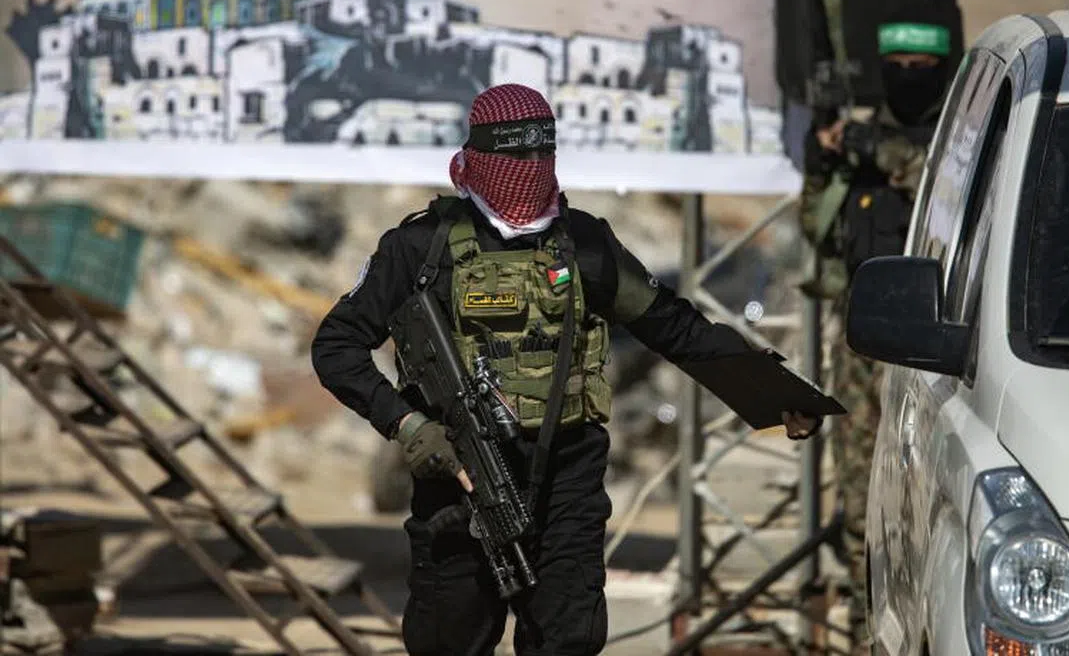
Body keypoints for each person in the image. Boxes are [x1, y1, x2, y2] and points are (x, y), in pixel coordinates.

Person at [312, 83, 824, 656]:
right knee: (448, 638)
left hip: (566, 479)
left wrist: (775, 396)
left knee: (569, 638)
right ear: (478, 158)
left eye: (541, 156)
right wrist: (407, 426)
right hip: (456, 479)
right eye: (514, 159)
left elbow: (674, 327)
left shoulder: (583, 244)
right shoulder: (420, 247)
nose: (530, 172)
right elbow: (336, 346)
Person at [799, 3, 953, 653]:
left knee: (935, 505)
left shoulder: (959, 141)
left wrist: (874, 150)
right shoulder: (859, 146)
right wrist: (826, 161)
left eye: (923, 67)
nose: (910, 76)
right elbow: (816, 227)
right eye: (899, 67)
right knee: (866, 505)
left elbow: (935, 181)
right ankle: (870, 636)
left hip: (938, 346)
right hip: (863, 348)